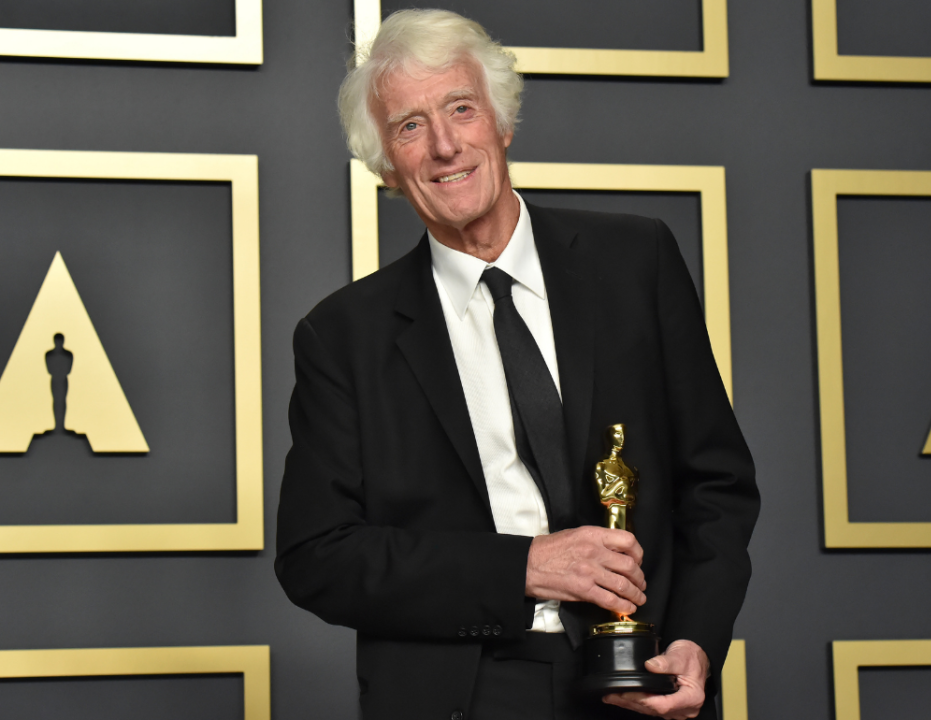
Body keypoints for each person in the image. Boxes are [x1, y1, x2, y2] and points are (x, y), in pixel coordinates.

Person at [275, 10, 759, 720]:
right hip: (465, 695)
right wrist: (525, 568)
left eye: (461, 109)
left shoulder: (637, 263)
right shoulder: (342, 336)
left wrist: (696, 641)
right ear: (385, 166)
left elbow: (717, 484)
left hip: (641, 679)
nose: (444, 145)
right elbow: (316, 557)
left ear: (500, 123)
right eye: (410, 126)